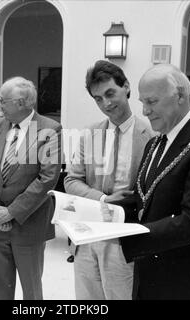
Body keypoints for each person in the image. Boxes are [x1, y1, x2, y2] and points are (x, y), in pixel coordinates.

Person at [120, 64, 190, 300]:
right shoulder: (155, 144)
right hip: (152, 275)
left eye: (151, 101)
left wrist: (129, 235)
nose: (145, 111)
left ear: (180, 96)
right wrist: (105, 214)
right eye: (142, 102)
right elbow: (147, 198)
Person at [64, 60, 154, 300]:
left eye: (110, 93)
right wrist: (103, 198)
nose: (106, 103)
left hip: (125, 238)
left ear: (126, 87)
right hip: (88, 235)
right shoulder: (90, 133)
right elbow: (71, 181)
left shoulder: (152, 136)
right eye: (98, 98)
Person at [0, 76, 62, 300]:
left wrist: (11, 212)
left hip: (29, 224)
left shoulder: (50, 129)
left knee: (31, 291)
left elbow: (48, 177)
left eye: (2, 101)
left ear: (22, 103)